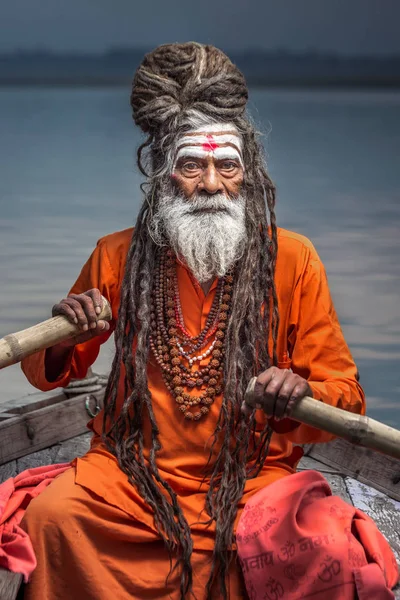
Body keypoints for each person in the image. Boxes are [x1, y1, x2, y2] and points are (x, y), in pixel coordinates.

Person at [20, 42, 365, 599]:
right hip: (130, 482)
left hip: (255, 484)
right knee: (51, 520)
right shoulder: (117, 255)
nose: (210, 184)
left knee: (331, 548)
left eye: (226, 165)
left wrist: (301, 391)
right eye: (191, 165)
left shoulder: (294, 259)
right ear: (162, 174)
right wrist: (66, 336)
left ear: (246, 174)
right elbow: (42, 371)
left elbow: (346, 397)